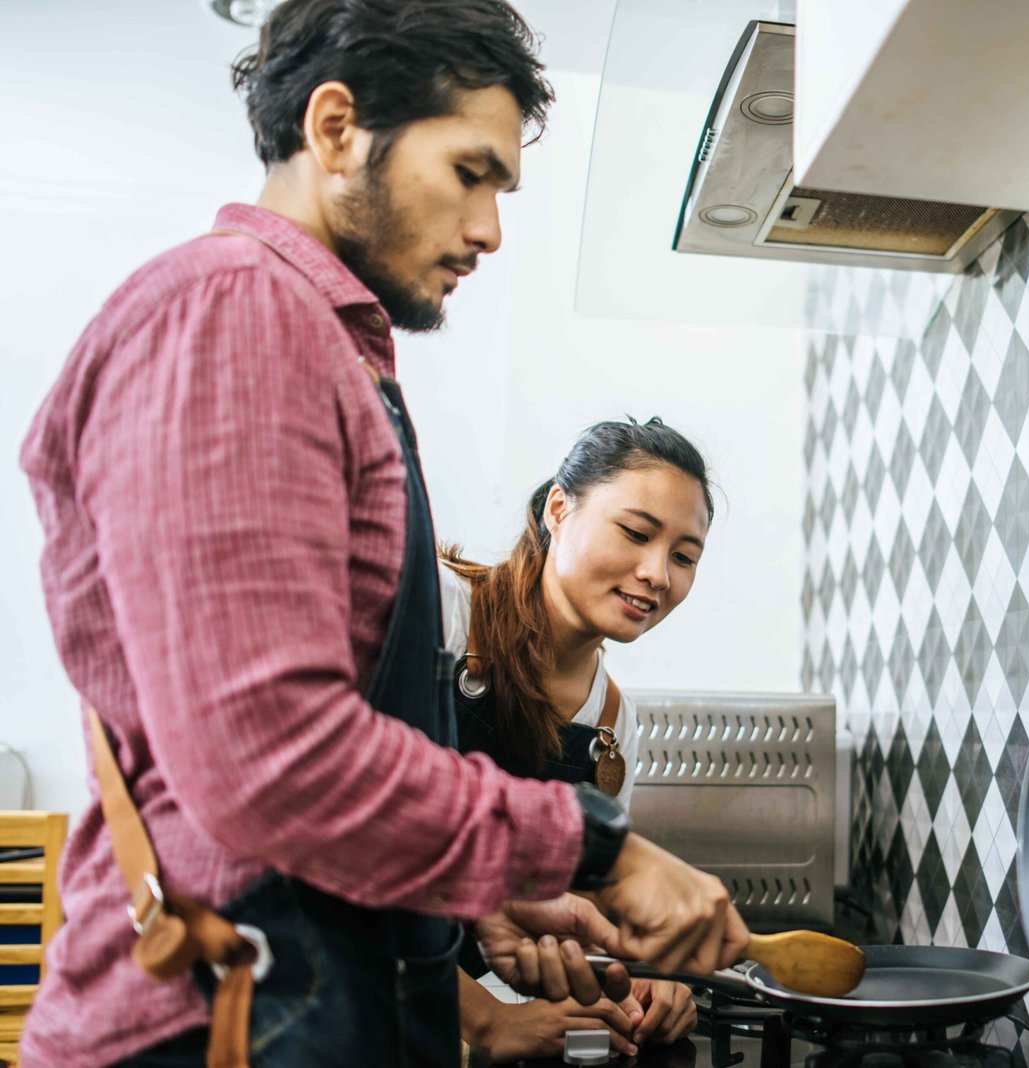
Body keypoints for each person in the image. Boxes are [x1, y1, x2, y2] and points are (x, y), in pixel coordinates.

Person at [18, 2, 746, 1065]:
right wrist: (596, 851)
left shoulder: (316, 346)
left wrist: (484, 905)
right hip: (213, 1022)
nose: (492, 227)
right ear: (336, 128)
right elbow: (268, 759)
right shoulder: (235, 313)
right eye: (470, 173)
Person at [441, 418, 713, 1059]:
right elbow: (345, 849)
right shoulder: (445, 614)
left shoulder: (613, 720)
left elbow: (577, 897)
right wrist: (486, 1021)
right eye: (637, 533)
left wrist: (632, 977)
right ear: (559, 508)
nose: (656, 574)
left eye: (683, 556)